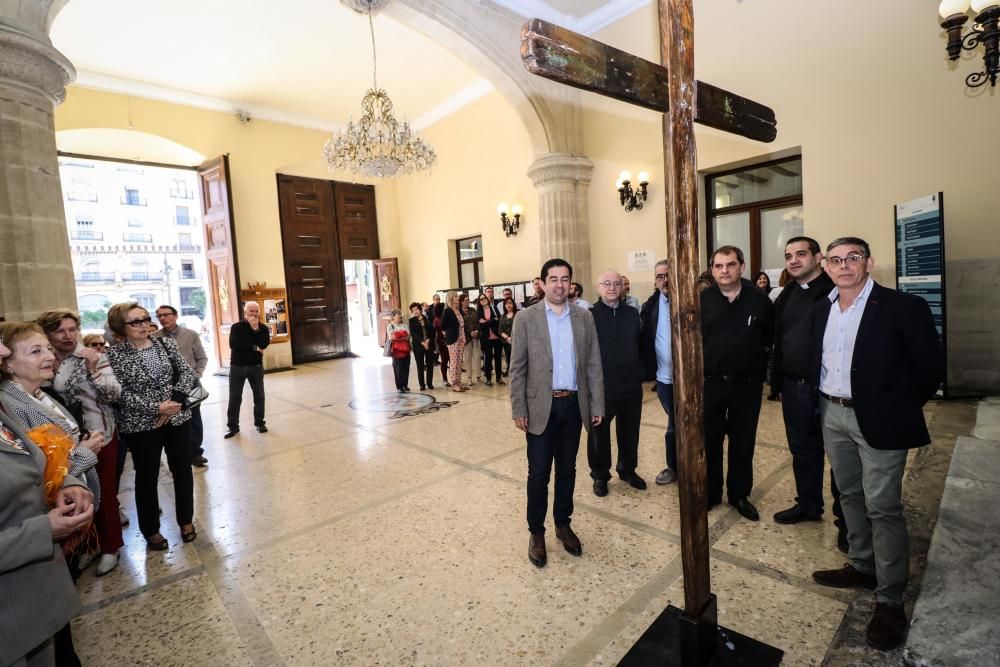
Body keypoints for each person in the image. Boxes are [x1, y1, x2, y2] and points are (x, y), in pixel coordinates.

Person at [809, 237, 942, 651]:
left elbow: (929, 368)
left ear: (868, 262)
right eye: (836, 260)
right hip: (833, 412)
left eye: (852, 258)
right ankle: (863, 566)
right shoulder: (823, 309)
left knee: (882, 505)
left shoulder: (903, 307)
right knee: (848, 492)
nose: (844, 265)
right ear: (826, 266)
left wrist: (896, 404)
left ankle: (889, 599)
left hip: (881, 417)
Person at [0, 330, 95, 667]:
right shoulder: (11, 400)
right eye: (35, 351)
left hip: (38, 586)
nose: (0, 348)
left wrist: (72, 482)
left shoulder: (25, 401)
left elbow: (38, 458)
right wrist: (82, 458)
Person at [509, 258, 604, 568]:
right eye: (553, 279)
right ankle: (536, 532)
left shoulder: (583, 318)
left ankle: (563, 523)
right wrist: (519, 408)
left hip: (573, 405)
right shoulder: (525, 319)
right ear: (542, 283)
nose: (559, 284)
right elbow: (517, 369)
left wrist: (597, 405)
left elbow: (593, 364)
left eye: (565, 279)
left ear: (571, 283)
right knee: (538, 473)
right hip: (540, 407)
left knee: (568, 469)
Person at [36, 310, 123, 577]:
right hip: (64, 442)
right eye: (60, 330)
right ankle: (88, 544)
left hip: (99, 435)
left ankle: (111, 546)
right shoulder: (46, 360)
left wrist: (94, 370)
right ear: (49, 334)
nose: (68, 335)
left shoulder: (93, 356)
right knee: (77, 495)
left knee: (104, 495)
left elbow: (114, 392)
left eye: (72, 329)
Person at [105, 302, 198, 550]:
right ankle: (151, 529)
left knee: (182, 469)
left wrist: (174, 403)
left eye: (146, 319)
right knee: (147, 476)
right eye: (136, 321)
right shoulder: (114, 355)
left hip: (177, 416)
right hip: (141, 424)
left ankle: (186, 520)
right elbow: (118, 395)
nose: (144, 325)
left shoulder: (165, 343)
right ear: (120, 327)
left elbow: (187, 373)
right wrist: (156, 408)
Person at [701, 245, 774, 521]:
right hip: (711, 384)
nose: (724, 270)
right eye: (718, 266)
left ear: (742, 267)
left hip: (747, 386)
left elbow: (769, 339)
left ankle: (739, 495)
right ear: (712, 270)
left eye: (730, 264)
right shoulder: (702, 300)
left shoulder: (760, 300)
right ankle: (710, 492)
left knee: (743, 441)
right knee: (710, 441)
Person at [769, 238, 837, 528]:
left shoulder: (834, 291)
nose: (794, 260)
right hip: (794, 387)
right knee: (802, 449)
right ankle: (808, 505)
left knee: (838, 456)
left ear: (818, 257)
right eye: (788, 256)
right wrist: (779, 385)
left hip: (827, 388)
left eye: (800, 254)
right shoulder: (787, 294)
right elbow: (779, 341)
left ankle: (847, 522)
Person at [588, 270, 645, 496]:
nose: (612, 287)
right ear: (598, 287)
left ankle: (627, 469)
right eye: (607, 283)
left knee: (630, 431)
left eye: (616, 284)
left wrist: (640, 371)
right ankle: (600, 475)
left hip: (630, 385)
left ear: (623, 287)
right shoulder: (590, 315)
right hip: (603, 387)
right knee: (598, 434)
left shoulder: (632, 313)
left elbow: (641, 345)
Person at [153, 305, 209, 467]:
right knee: (174, 419)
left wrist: (196, 376)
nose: (163, 318)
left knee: (194, 418)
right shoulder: (154, 338)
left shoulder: (190, 335)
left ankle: (196, 452)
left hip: (190, 386)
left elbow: (202, 358)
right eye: (159, 316)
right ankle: (180, 452)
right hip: (167, 389)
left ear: (176, 316)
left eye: (166, 315)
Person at [639, 260, 678, 485]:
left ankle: (695, 464)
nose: (665, 280)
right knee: (674, 423)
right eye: (660, 276)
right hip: (665, 380)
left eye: (668, 275)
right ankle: (674, 467)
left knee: (688, 424)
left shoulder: (693, 301)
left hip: (693, 380)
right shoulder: (650, 306)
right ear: (655, 281)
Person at [225, 301, 270, 438]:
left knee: (259, 396)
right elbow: (234, 344)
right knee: (234, 398)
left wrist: (255, 329)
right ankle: (233, 427)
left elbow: (264, 343)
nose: (254, 314)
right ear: (245, 313)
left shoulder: (262, 328)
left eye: (256, 311)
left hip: (255, 367)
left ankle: (259, 422)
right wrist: (254, 348)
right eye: (251, 311)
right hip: (237, 367)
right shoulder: (236, 327)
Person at [440, 291, 466, 392]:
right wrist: (449, 332)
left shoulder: (458, 309)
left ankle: (458, 381)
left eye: (457, 296)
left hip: (461, 338)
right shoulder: (448, 311)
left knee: (459, 361)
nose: (457, 298)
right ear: (451, 298)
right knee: (454, 361)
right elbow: (442, 326)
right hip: (453, 339)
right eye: (455, 296)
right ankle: (453, 383)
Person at [476, 293, 504, 386]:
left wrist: (488, 322)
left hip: (496, 337)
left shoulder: (494, 308)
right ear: (479, 302)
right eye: (481, 299)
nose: (483, 300)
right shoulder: (479, 312)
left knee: (498, 358)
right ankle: (488, 379)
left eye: (484, 298)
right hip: (486, 338)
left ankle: (498, 378)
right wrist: (493, 321)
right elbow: (482, 325)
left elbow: (499, 319)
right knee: (487, 359)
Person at [408, 302, 435, 391]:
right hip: (418, 346)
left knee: (430, 364)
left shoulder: (427, 318)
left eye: (416, 309)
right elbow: (414, 334)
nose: (415, 312)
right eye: (413, 310)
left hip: (429, 344)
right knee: (420, 366)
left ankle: (429, 383)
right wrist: (422, 342)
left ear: (420, 309)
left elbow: (432, 331)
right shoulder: (411, 321)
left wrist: (428, 340)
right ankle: (422, 385)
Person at [386, 309, 411, 393]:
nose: (400, 316)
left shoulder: (404, 325)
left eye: (400, 314)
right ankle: (399, 387)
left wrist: (398, 336)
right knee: (398, 369)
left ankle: (405, 385)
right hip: (396, 351)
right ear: (393, 316)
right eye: (398, 314)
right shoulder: (390, 326)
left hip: (406, 349)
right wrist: (402, 334)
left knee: (406, 368)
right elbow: (392, 337)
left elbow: (408, 337)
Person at [459, 294, 481, 387]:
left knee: (477, 357)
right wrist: (470, 333)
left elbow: (478, 322)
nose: (468, 301)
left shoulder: (473, 310)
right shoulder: (459, 312)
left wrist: (476, 331)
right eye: (466, 300)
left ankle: (478, 376)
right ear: (461, 301)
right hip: (466, 338)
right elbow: (461, 326)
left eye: (468, 299)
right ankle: (469, 377)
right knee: (467, 359)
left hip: (476, 337)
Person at [429, 293, 449, 387]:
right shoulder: (437, 320)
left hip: (448, 341)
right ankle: (445, 379)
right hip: (442, 342)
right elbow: (442, 330)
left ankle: (452, 378)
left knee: (450, 360)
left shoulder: (443, 317)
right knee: (444, 360)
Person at [497, 297, 517, 376]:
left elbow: (520, 328)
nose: (508, 305)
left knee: (516, 358)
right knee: (508, 358)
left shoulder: (518, 315)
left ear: (513, 304)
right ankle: (509, 370)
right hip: (506, 341)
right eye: (506, 304)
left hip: (517, 341)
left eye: (510, 303)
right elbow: (500, 330)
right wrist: (507, 338)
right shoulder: (503, 316)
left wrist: (513, 337)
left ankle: (517, 371)